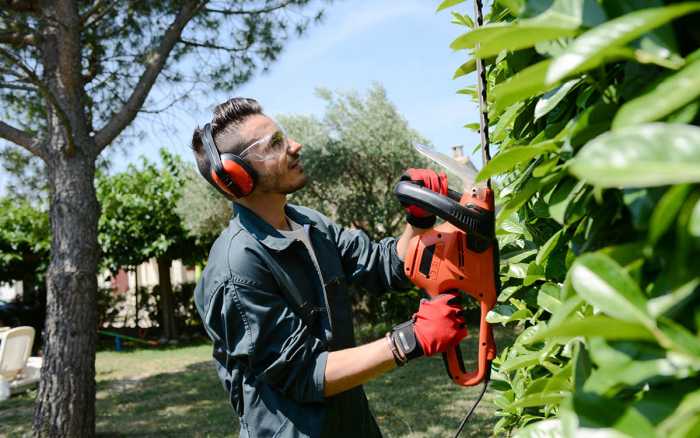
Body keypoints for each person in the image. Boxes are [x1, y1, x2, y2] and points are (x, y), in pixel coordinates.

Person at [191, 97, 467, 437]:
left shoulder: (310, 224)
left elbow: (382, 265)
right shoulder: (236, 267)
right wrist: (408, 340)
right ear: (237, 176)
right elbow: (304, 373)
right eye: (275, 144)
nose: (294, 145)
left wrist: (418, 220)